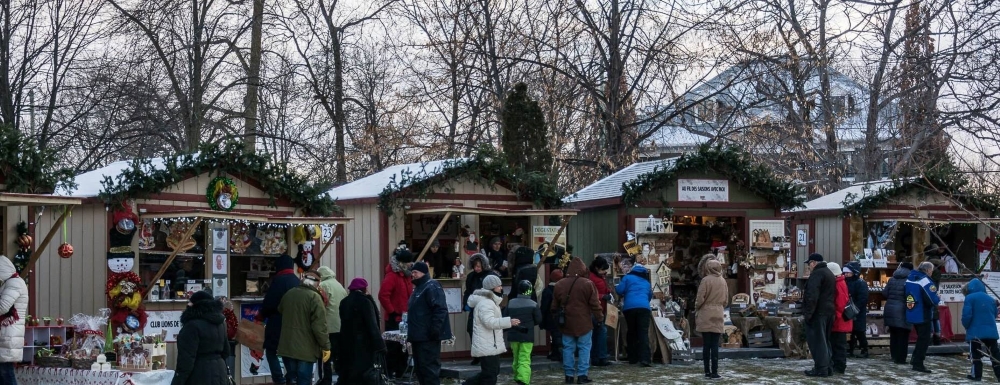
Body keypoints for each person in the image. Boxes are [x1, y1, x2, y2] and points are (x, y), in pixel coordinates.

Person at [553, 257, 603, 384]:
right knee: (584, 348)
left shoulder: (560, 284)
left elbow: (554, 306)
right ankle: (582, 375)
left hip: (567, 322)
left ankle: (569, 375)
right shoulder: (587, 284)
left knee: (568, 348)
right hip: (584, 322)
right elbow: (595, 304)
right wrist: (599, 318)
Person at [277, 270, 331, 385]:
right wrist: (326, 346)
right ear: (317, 283)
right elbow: (319, 327)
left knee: (291, 379)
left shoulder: (289, 294)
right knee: (304, 380)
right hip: (306, 350)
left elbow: (280, 310)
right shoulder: (315, 298)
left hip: (287, 346)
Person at [464, 275, 519, 385]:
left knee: (491, 373)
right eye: (499, 286)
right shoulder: (486, 303)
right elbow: (489, 322)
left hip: (490, 343)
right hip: (487, 344)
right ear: (492, 287)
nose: (501, 288)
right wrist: (509, 322)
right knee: (490, 375)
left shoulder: (490, 301)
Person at [256, 254, 301, 385]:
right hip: (294, 323)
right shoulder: (297, 281)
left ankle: (279, 379)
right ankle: (291, 377)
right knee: (288, 352)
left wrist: (260, 316)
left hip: (277, 323)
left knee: (271, 351)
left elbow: (269, 303)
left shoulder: (278, 281)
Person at [407, 261, 452, 385]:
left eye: (415, 272)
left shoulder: (432, 286)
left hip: (428, 337)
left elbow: (440, 309)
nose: (413, 275)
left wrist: (435, 330)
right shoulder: (418, 288)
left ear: (423, 272)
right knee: (421, 370)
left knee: (429, 371)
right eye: (412, 272)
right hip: (418, 337)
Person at [172, 291, 230, 385]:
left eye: (190, 302)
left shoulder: (191, 326)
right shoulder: (221, 323)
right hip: (220, 373)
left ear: (195, 305)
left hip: (199, 375)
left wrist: (177, 382)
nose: (188, 304)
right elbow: (226, 351)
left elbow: (186, 361)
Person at [338, 278, 387, 385]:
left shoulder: (344, 302)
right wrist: (380, 345)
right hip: (363, 343)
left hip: (346, 341)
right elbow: (372, 324)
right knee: (362, 374)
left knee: (349, 371)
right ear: (364, 289)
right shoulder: (365, 302)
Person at [378, 249, 414, 378]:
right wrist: (392, 311)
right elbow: (383, 295)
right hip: (395, 317)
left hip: (405, 317)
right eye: (409, 262)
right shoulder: (392, 276)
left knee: (403, 346)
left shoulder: (407, 275)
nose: (411, 264)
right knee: (393, 347)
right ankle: (389, 371)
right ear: (403, 263)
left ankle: (401, 370)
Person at [802, 253, 835, 377]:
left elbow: (812, 296)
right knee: (826, 341)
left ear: (814, 262)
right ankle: (828, 367)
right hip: (828, 312)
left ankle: (821, 368)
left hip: (818, 313)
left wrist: (808, 314)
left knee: (818, 342)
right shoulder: (829, 273)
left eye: (809, 263)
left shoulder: (817, 274)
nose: (809, 266)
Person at [695, 259, 728, 380]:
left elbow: (700, 298)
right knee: (715, 345)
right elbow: (726, 300)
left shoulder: (705, 280)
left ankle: (707, 371)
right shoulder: (723, 281)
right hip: (718, 313)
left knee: (706, 344)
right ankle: (715, 371)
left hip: (706, 313)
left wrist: (697, 308)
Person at [962, 278, 1000, 381]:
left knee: (975, 355)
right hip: (991, 332)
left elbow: (966, 316)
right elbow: (995, 313)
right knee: (995, 355)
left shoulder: (969, 298)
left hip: (975, 332)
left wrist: (966, 326)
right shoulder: (990, 299)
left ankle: (976, 376)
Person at [505, 280, 542, 385]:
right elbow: (538, 320)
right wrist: (530, 324)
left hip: (513, 334)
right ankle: (523, 380)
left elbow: (505, 317)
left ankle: (517, 376)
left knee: (516, 357)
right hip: (527, 335)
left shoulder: (511, 302)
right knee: (524, 358)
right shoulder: (533, 304)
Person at [906, 261, 941, 373]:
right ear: (927, 270)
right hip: (923, 313)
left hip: (911, 311)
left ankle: (914, 359)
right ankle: (918, 363)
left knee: (920, 338)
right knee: (924, 339)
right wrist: (938, 297)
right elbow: (932, 299)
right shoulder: (925, 281)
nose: (931, 273)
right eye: (931, 271)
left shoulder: (910, 278)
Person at [616, 261, 652, 367]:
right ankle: (645, 359)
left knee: (632, 332)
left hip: (630, 308)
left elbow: (619, 290)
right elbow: (649, 296)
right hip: (644, 308)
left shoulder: (627, 278)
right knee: (643, 333)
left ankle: (632, 358)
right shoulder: (646, 282)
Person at [317, 266, 348, 385]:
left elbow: (320, 305)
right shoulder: (339, 285)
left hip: (328, 326)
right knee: (338, 355)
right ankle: (342, 378)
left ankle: (326, 379)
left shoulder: (323, 286)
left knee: (326, 355)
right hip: (340, 325)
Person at [465, 253, 497, 364]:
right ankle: (476, 355)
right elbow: (468, 291)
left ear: (484, 265)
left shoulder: (490, 276)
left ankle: (486, 356)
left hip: (487, 307)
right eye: (475, 266)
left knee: (485, 331)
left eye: (478, 266)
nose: (476, 268)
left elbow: (496, 291)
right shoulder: (471, 277)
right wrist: (466, 303)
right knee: (472, 330)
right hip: (474, 308)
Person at [0, 256, 28, 384]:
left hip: (9, 334)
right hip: (8, 333)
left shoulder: (14, 283)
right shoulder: (12, 282)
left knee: (6, 373)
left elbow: (3, 307)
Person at [884, 262, 913, 365]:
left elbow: (885, 293)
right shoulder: (910, 280)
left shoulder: (892, 279)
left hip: (890, 309)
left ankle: (894, 355)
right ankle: (900, 359)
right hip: (902, 310)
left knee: (894, 334)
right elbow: (910, 297)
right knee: (903, 335)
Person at [588, 258, 612, 367]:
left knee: (597, 334)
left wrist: (608, 292)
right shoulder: (592, 278)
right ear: (597, 268)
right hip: (595, 310)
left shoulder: (599, 277)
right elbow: (591, 295)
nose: (605, 272)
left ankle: (597, 357)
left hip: (601, 308)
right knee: (601, 333)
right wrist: (603, 296)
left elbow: (602, 289)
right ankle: (600, 357)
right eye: (603, 270)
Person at [828, 262, 852, 375]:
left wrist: (835, 317)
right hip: (840, 320)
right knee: (837, 344)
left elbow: (840, 304)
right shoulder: (840, 282)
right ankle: (838, 365)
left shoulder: (839, 284)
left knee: (839, 345)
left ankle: (840, 366)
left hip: (839, 321)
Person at [844, 262, 870, 358]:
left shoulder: (860, 283)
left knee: (859, 331)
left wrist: (855, 309)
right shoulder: (846, 282)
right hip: (848, 309)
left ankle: (864, 349)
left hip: (858, 311)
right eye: (845, 272)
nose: (846, 274)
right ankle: (851, 349)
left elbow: (863, 298)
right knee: (851, 330)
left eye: (848, 272)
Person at [541, 269, 564, 362]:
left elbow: (544, 306)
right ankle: (557, 353)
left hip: (551, 316)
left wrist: (542, 318)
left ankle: (557, 353)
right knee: (558, 335)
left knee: (555, 335)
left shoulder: (547, 290)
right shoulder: (564, 289)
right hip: (562, 316)